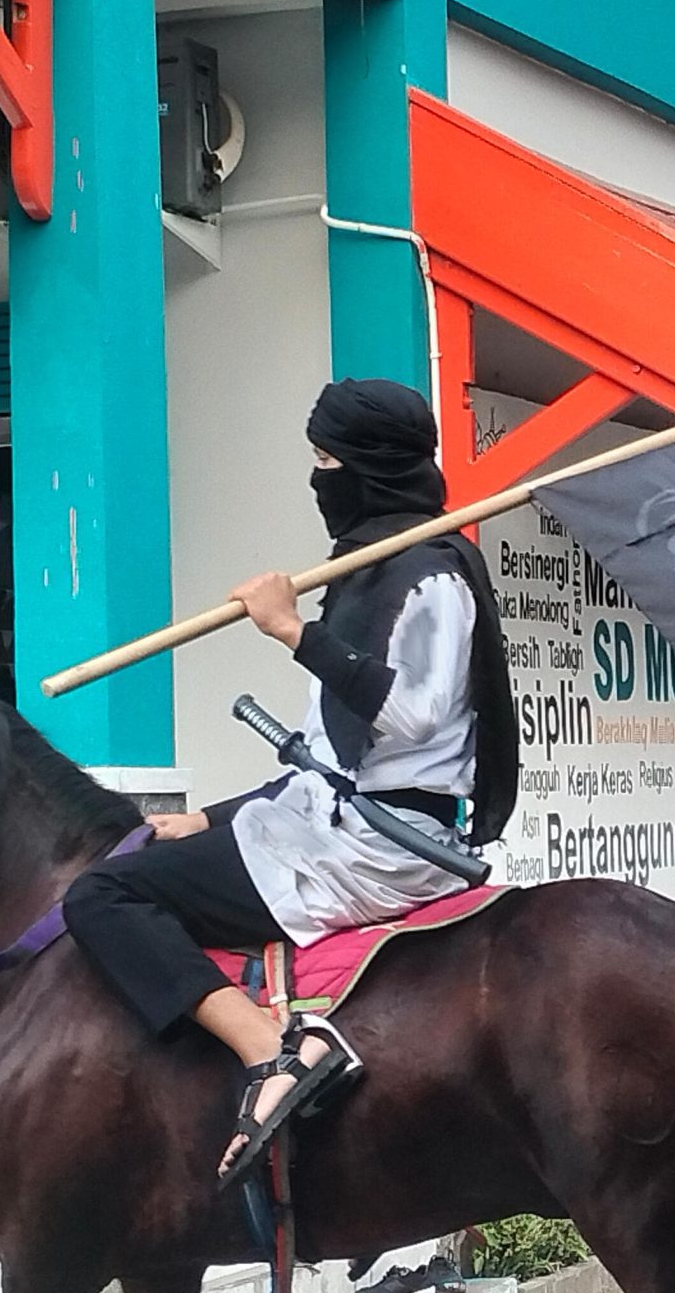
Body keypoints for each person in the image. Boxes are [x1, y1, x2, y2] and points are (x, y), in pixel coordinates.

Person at [64, 378, 518, 1189]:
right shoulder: (367, 567)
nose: (318, 479)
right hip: (328, 823)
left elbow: (411, 715)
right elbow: (321, 758)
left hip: (376, 848)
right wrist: (206, 818)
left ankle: (264, 1043)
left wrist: (292, 632)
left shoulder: (434, 573)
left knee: (102, 896)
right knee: (142, 854)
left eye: (325, 459)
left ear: (365, 467)